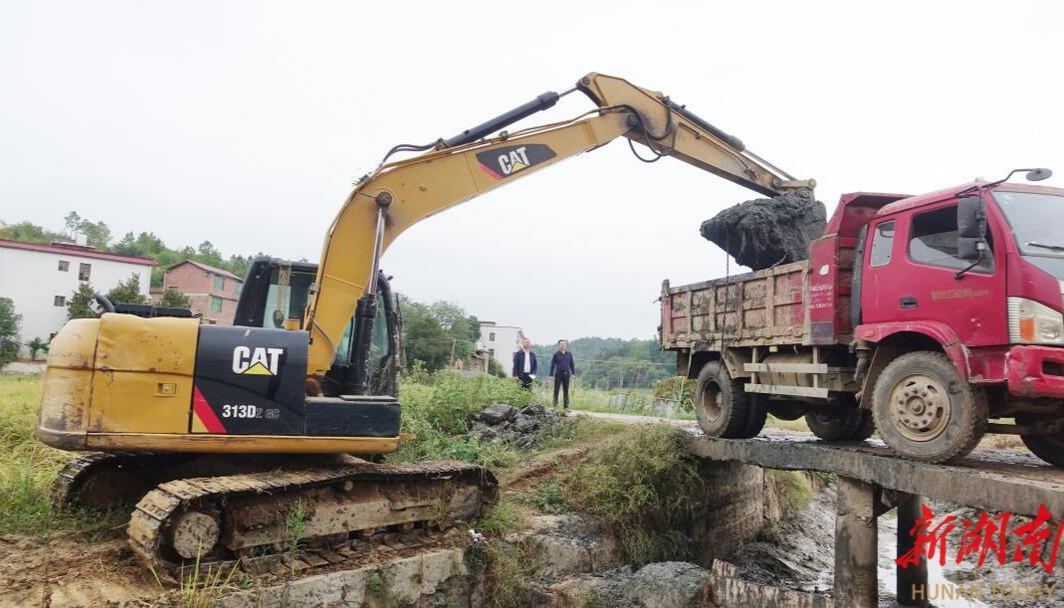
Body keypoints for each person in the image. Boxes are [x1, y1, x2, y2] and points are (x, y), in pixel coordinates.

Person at [550, 339, 576, 409]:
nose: (563, 345)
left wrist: (573, 373)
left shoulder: (569, 354)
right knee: (556, 390)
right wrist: (551, 375)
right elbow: (552, 364)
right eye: (561, 344)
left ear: (566, 345)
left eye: (564, 344)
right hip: (558, 374)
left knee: (566, 390)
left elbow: (572, 364)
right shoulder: (556, 354)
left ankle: (566, 407)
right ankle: (555, 407)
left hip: (567, 374)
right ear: (558, 345)